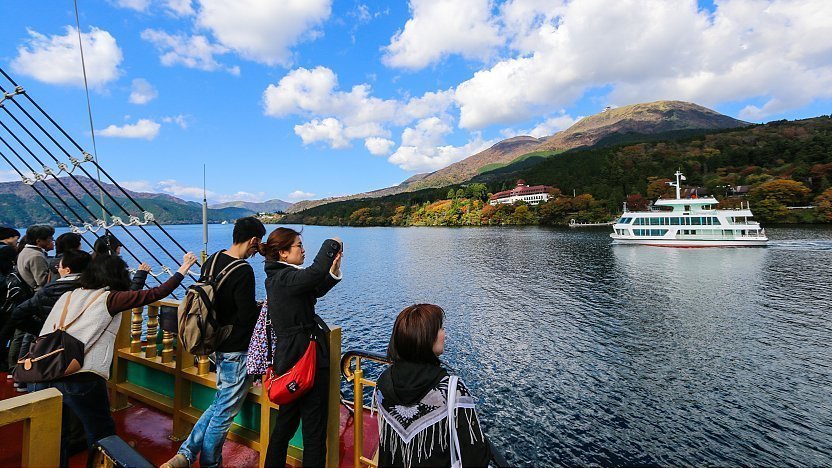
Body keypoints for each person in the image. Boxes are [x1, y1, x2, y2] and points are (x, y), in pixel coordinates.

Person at [32, 250, 198, 467]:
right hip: (81, 375)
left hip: (46, 370)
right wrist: (184, 268)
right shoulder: (108, 299)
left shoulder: (69, 295)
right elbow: (156, 293)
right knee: (102, 433)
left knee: (57, 434)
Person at [162, 217, 266, 468]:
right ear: (253, 240)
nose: (257, 250)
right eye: (258, 244)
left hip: (216, 343)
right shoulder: (242, 270)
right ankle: (210, 463)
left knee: (219, 403)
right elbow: (245, 315)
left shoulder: (214, 259)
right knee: (223, 414)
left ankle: (185, 454)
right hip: (237, 350)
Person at [261, 228, 343, 468]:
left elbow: (313, 290)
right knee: (314, 432)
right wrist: (333, 243)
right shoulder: (284, 278)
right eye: (299, 245)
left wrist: (333, 274)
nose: (303, 249)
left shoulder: (279, 278)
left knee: (284, 426)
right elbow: (316, 272)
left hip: (289, 362)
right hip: (308, 361)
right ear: (283, 253)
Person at [375, 304, 491, 468]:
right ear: (425, 338)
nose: (444, 334)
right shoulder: (451, 390)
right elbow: (476, 455)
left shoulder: (383, 382)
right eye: (440, 329)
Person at [10, 248, 91, 456]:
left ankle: (57, 446)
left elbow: (18, 314)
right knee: (81, 397)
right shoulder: (93, 291)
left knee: (53, 396)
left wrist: (41, 331)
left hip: (50, 352)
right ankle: (81, 439)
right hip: (82, 351)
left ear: (66, 269)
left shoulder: (48, 290)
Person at [8, 225, 54, 389]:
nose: (51, 241)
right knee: (30, 337)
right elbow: (42, 282)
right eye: (49, 239)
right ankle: (22, 374)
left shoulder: (23, 252)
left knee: (22, 336)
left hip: (27, 298)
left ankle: (17, 370)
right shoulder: (36, 256)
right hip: (38, 298)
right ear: (39, 240)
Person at [0, 226, 20, 371]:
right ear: (9, 237)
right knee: (6, 330)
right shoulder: (6, 250)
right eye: (15, 238)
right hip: (4, 296)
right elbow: (10, 273)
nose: (16, 241)